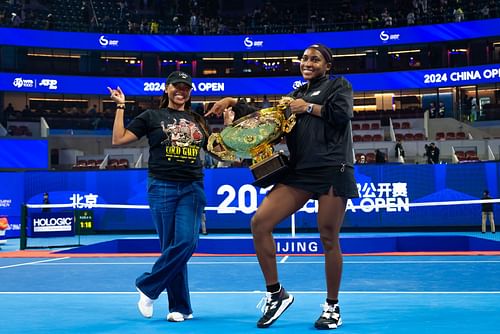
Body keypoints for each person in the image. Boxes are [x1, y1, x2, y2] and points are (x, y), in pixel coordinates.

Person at [207, 43, 358, 330]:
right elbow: (267, 122)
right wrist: (233, 103)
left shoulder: (339, 85)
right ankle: (277, 294)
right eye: (304, 59)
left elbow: (342, 114)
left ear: (327, 65)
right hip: (299, 171)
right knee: (260, 223)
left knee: (328, 237)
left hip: (332, 169)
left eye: (315, 59)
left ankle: (332, 307)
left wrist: (309, 108)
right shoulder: (293, 96)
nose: (308, 63)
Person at [107, 71, 211, 322]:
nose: (181, 91)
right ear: (167, 89)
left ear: (190, 92)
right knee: (171, 247)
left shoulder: (197, 119)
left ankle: (147, 286)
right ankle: (180, 308)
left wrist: (230, 125)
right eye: (176, 86)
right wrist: (121, 106)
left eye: (186, 87)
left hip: (192, 186)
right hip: (162, 186)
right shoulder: (151, 116)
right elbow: (118, 139)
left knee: (186, 243)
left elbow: (216, 149)